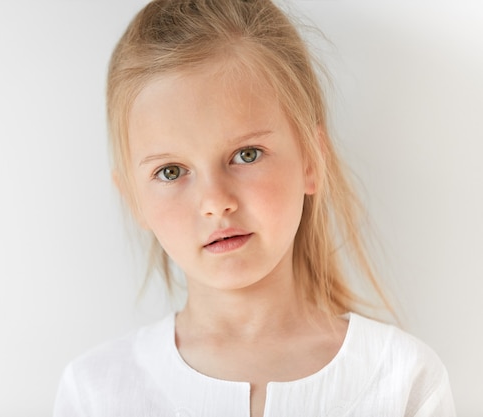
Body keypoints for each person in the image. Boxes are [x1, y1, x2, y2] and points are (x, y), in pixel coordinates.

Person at [53, 0, 456, 416]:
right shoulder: (97, 393)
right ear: (134, 198)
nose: (215, 203)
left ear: (312, 160)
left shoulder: (402, 380)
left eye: (247, 155)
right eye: (171, 171)